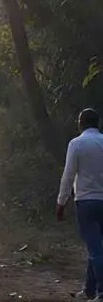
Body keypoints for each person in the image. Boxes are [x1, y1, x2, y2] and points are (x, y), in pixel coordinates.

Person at [58, 108, 103, 300]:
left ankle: (101, 293)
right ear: (98, 123)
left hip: (86, 201)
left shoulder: (76, 144)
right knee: (97, 247)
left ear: (80, 123)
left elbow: (68, 176)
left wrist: (61, 202)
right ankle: (89, 290)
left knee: (94, 248)